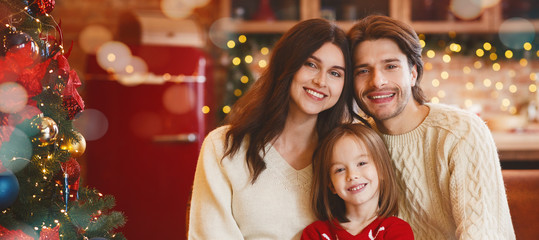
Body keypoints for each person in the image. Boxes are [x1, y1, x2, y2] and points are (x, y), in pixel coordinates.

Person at [347, 15, 515, 239]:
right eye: (363, 70)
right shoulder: (355, 143)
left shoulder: (461, 132)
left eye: (390, 66)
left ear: (413, 73)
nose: (377, 81)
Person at [188, 18, 354, 239]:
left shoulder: (348, 155)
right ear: (286, 66)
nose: (321, 81)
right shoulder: (224, 147)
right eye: (311, 64)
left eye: (335, 73)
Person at [302, 123, 414, 239]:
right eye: (340, 169)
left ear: (382, 170)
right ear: (331, 185)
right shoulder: (316, 233)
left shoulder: (396, 230)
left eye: (361, 163)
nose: (352, 175)